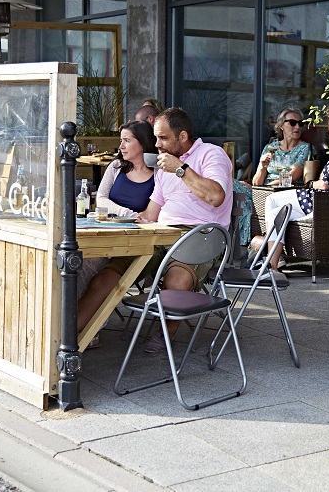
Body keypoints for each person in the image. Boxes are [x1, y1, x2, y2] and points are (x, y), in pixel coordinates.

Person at [76, 107, 233, 353]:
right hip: (159, 234)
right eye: (156, 138)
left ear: (182, 137)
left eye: (163, 138)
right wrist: (121, 221)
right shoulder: (164, 169)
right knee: (106, 277)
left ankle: (164, 334)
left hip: (199, 238)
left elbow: (215, 197)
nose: (157, 145)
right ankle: (71, 336)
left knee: (177, 280)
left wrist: (181, 169)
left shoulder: (210, 155)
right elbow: (151, 215)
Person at [260, 103, 329, 270]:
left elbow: (323, 185)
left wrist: (310, 183)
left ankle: (272, 260)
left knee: (271, 199)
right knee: (275, 212)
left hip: (321, 202)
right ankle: (273, 264)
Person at [95, 120, 156, 217]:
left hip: (141, 229)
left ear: (143, 143)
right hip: (108, 226)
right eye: (121, 141)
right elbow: (101, 199)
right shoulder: (116, 166)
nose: (121, 147)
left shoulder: (158, 174)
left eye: (127, 140)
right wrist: (127, 214)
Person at [252, 106, 313, 186]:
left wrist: (267, 188)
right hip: (262, 192)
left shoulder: (304, 148)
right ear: (281, 125)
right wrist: (262, 166)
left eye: (300, 123)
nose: (297, 127)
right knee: (233, 185)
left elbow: (292, 176)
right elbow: (256, 183)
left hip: (284, 191)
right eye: (292, 123)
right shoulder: (271, 147)